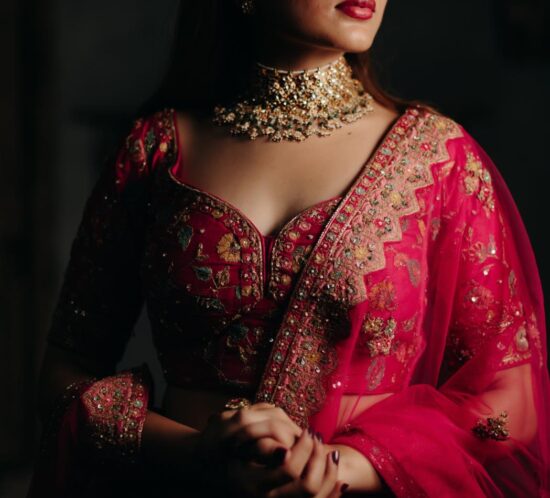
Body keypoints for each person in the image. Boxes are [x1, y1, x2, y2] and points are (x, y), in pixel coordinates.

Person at [27, 1, 549, 497]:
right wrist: (193, 451)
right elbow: (64, 372)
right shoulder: (156, 150)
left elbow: (509, 404)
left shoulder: (439, 161)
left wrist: (341, 470)